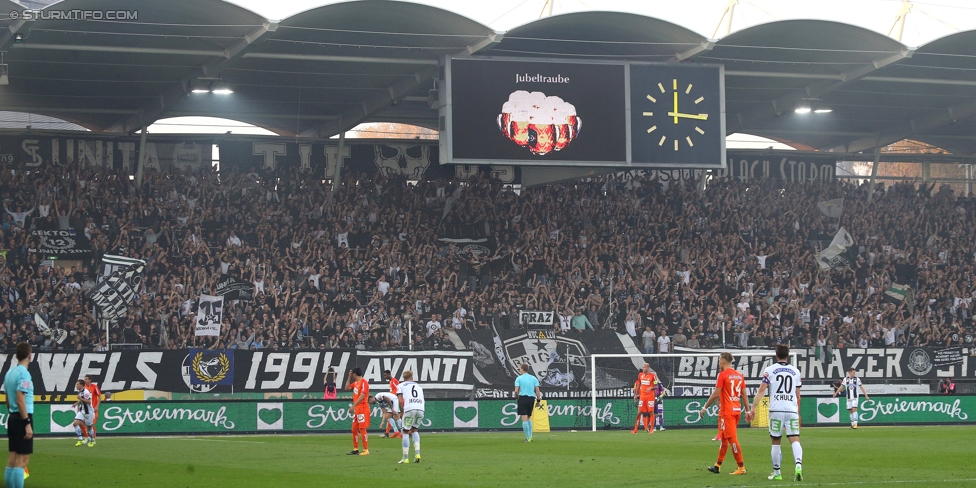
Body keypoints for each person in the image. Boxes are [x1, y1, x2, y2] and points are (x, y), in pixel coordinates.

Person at [748, 344, 804, 482]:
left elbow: (761, 390)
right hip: (791, 409)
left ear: (776, 354)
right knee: (795, 439)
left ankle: (777, 473)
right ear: (788, 354)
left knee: (775, 442)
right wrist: (798, 412)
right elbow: (798, 396)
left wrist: (753, 407)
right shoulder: (795, 371)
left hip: (776, 410)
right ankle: (798, 466)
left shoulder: (770, 370)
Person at [700, 352, 749, 476]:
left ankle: (741, 467)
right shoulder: (739, 375)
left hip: (726, 411)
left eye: (718, 361)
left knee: (732, 438)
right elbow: (744, 395)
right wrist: (747, 411)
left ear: (722, 361)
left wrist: (705, 407)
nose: (718, 364)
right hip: (736, 410)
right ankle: (717, 465)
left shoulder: (722, 375)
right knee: (723, 438)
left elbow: (716, 393)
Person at [4, 342, 33, 488]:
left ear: (16, 356)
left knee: (12, 459)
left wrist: (12, 413)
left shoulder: (10, 373)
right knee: (22, 461)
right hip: (22, 417)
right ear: (30, 355)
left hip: (13, 416)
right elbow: (20, 399)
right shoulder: (24, 374)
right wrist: (26, 422)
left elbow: (8, 399)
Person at [396, 370, 425, 464]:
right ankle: (417, 454)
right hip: (420, 409)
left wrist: (401, 411)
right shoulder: (419, 386)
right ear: (412, 377)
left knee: (405, 432)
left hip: (410, 408)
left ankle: (405, 458)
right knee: (415, 430)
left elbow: (400, 401)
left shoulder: (400, 386)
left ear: (403, 378)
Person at [514, 363, 542, 443]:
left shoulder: (519, 378)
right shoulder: (533, 378)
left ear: (522, 369)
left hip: (522, 398)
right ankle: (531, 436)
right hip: (531, 399)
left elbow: (516, 390)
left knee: (524, 419)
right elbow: (537, 390)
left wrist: (516, 398)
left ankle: (528, 438)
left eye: (520, 368)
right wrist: (538, 400)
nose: (519, 370)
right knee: (528, 417)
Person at [345, 368, 370, 456]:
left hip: (362, 409)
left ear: (355, 374)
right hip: (357, 410)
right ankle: (355, 449)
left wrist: (353, 405)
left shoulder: (364, 382)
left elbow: (363, 395)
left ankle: (366, 450)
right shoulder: (355, 383)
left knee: (362, 429)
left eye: (353, 375)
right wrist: (349, 377)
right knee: (354, 429)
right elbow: (347, 387)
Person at [631, 363, 657, 434]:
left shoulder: (653, 376)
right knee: (639, 412)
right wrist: (636, 395)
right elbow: (638, 384)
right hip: (642, 397)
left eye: (644, 367)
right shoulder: (640, 375)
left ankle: (651, 429)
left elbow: (656, 386)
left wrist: (651, 387)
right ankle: (635, 429)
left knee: (651, 412)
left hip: (650, 397)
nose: (643, 368)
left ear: (648, 368)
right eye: (643, 367)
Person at [71, 380, 94, 447]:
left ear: (81, 385)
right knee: (75, 423)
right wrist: (76, 403)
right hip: (82, 411)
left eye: (77, 384)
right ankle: (80, 439)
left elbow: (89, 402)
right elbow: (82, 399)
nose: (76, 385)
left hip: (88, 412)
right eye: (76, 384)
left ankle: (92, 440)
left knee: (89, 427)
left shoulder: (86, 392)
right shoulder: (80, 391)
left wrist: (80, 398)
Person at [83, 375, 101, 447]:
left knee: (91, 424)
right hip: (86, 409)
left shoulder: (94, 387)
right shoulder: (83, 388)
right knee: (86, 424)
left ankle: (93, 439)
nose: (85, 380)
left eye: (86, 379)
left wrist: (97, 406)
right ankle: (89, 437)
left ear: (90, 380)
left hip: (93, 409)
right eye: (84, 379)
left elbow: (99, 396)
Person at [384, 370, 400, 437]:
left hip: (396, 400)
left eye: (385, 375)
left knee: (397, 417)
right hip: (393, 401)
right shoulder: (391, 382)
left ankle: (403, 432)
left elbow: (398, 389)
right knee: (388, 416)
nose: (384, 377)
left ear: (389, 374)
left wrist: (396, 398)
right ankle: (396, 431)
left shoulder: (394, 381)